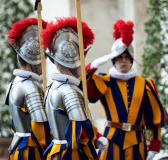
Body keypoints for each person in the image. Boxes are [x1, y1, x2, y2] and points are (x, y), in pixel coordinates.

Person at [83, 19, 167, 160]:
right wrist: (93, 65)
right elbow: (81, 84)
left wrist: (154, 146)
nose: (123, 60)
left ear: (131, 60)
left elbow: (155, 119)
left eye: (127, 57)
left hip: (137, 143)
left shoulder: (145, 84)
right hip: (111, 141)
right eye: (119, 57)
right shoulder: (105, 81)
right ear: (113, 60)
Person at [41, 17, 107, 160]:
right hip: (70, 154)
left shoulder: (52, 87)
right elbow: (80, 130)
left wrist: (97, 136)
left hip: (55, 151)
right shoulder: (70, 90)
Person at [5, 18, 51, 160]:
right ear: (36, 61)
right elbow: (41, 131)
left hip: (17, 146)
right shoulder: (31, 87)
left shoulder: (14, 83)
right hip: (31, 151)